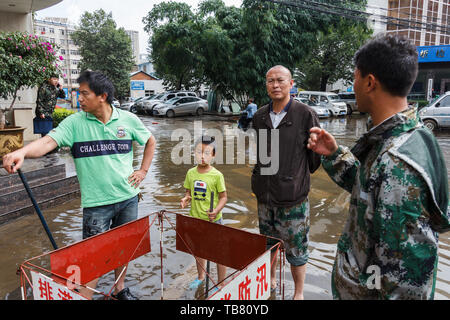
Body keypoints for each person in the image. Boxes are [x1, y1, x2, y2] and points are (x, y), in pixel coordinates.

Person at [307, 34, 450, 299]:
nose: (354, 84)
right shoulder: (405, 137)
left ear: (369, 82)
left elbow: (405, 283)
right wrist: (335, 154)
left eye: (355, 77)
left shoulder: (398, 163)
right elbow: (372, 193)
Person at [2, 70, 156, 300]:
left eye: (84, 93)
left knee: (122, 250)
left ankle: (119, 288)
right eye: (78, 93)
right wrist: (22, 151)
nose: (79, 99)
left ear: (102, 96)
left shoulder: (128, 120)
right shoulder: (74, 123)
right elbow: (47, 142)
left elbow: (151, 140)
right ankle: (84, 296)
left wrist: (143, 171)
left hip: (128, 198)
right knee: (92, 257)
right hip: (96, 204)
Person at [251, 65, 321, 300]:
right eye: (270, 81)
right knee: (268, 245)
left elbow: (314, 159)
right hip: (265, 197)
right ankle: (270, 279)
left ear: (291, 84)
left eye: (280, 80)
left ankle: (298, 293)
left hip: (294, 200)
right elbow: (261, 154)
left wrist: (293, 175)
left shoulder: (305, 114)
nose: (275, 85)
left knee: (297, 251)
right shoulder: (260, 116)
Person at [180, 136, 228, 291]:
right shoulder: (190, 173)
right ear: (194, 153)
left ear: (213, 155)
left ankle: (221, 283)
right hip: (196, 219)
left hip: (214, 220)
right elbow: (188, 193)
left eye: (207, 153)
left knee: (219, 253)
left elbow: (223, 197)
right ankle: (201, 276)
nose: (202, 156)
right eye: (199, 152)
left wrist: (216, 210)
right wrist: (186, 199)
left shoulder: (217, 175)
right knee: (199, 250)